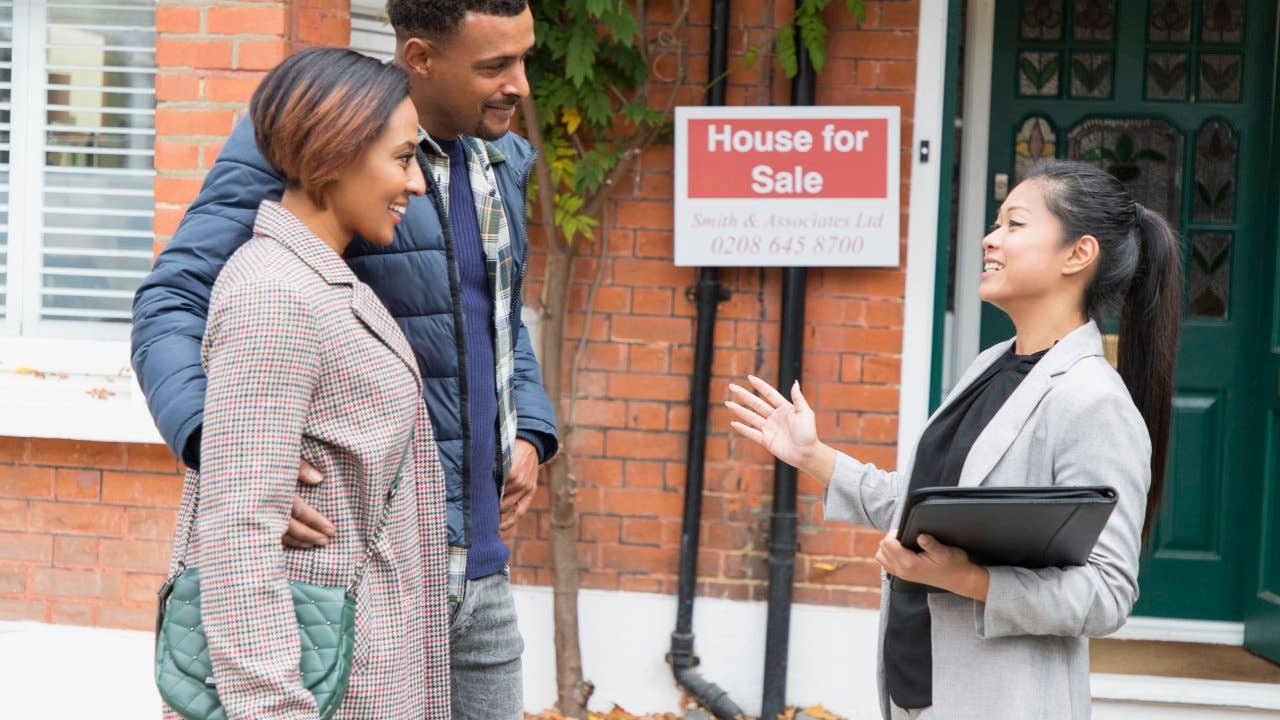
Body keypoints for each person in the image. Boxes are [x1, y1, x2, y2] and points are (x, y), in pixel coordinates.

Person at [132, 2, 557, 717]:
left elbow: (498, 313)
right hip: (355, 567)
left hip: (477, 560)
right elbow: (173, 301)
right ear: (420, 57)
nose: (520, 84)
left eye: (524, 58)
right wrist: (228, 447)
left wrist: (531, 430)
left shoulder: (499, 157)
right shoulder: (311, 139)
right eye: (494, 65)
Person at [726, 160, 1183, 720]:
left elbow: (1108, 594)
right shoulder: (992, 365)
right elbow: (933, 510)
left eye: (1015, 225)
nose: (991, 239)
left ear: (1077, 254)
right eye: (996, 224)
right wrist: (813, 456)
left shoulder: (1093, 402)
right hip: (919, 690)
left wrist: (968, 580)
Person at [159, 48, 447, 718]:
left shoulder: (320, 280)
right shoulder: (276, 295)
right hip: (304, 691)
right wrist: (271, 707)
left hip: (355, 674)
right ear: (334, 153)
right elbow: (235, 533)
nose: (418, 185)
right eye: (403, 159)